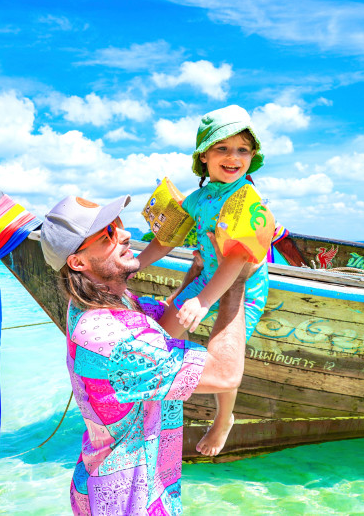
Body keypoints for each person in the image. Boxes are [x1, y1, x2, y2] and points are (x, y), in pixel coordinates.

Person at [41, 194, 252, 516]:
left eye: (119, 225)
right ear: (78, 262)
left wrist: (198, 273)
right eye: (108, 234)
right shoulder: (111, 336)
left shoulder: (105, 303)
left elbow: (164, 325)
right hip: (128, 498)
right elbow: (224, 374)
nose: (124, 234)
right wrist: (236, 281)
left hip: (117, 482)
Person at [135, 105, 271, 457]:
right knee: (163, 334)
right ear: (204, 157)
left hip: (243, 285)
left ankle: (224, 418)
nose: (233, 157)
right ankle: (156, 401)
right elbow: (167, 238)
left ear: (252, 156)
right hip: (207, 278)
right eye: (222, 148)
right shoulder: (199, 199)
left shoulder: (246, 198)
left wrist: (204, 301)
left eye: (242, 149)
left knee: (222, 351)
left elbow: (238, 258)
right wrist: (134, 264)